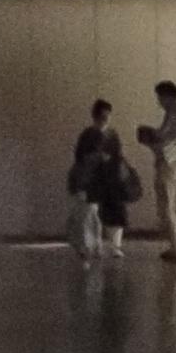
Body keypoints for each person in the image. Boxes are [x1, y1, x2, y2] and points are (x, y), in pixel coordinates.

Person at [136, 79, 176, 259]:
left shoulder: (174, 113)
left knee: (168, 205)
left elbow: (165, 137)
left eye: (160, 97)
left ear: (167, 96)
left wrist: (149, 136)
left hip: (169, 164)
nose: (159, 102)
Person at [66, 98, 126, 261]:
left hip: (103, 178)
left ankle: (105, 246)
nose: (104, 119)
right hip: (94, 179)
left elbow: (116, 157)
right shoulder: (98, 135)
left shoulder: (99, 135)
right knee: (92, 214)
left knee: (104, 213)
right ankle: (95, 246)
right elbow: (81, 157)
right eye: (102, 116)